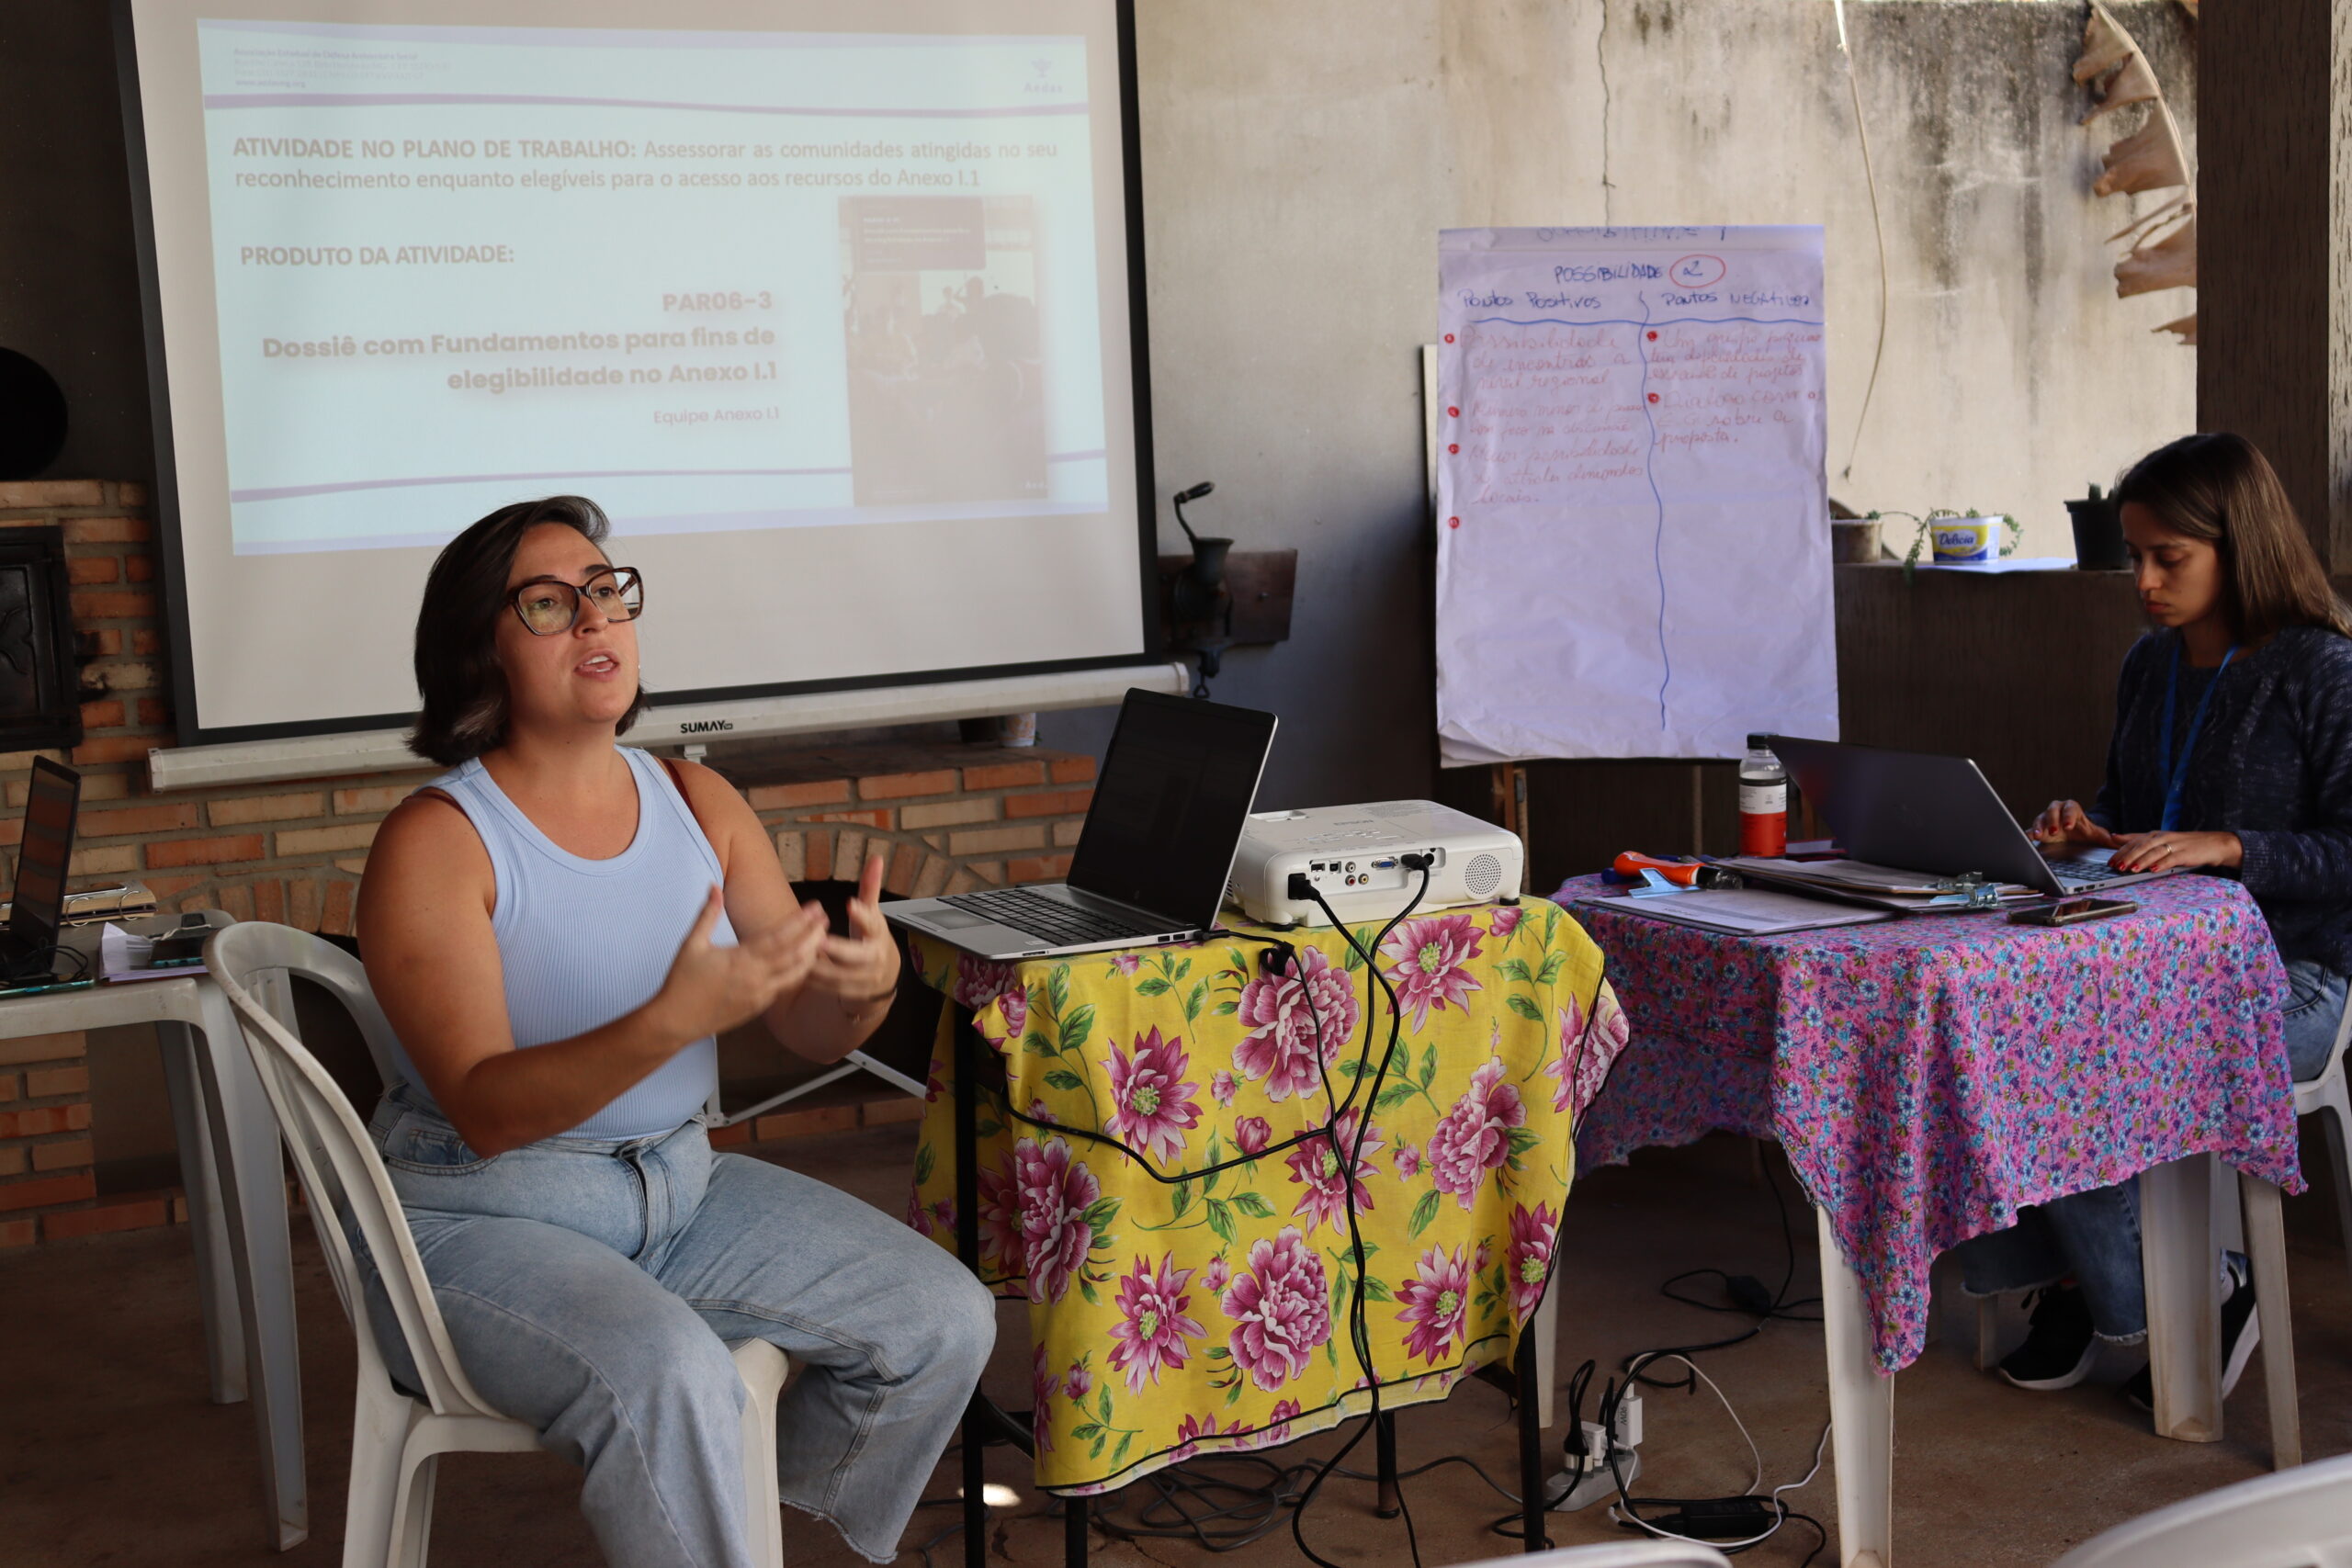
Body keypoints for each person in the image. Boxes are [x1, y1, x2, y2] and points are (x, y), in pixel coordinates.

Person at [354, 495, 996, 1568]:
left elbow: (807, 1025)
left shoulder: (699, 800)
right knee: (676, 1377)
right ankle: (701, 1510)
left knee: (942, 1319)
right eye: (548, 603)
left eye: (606, 591)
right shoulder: (437, 840)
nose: (595, 620)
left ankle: (722, 1519)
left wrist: (865, 989)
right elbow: (487, 1107)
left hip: (679, 1189)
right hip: (477, 1221)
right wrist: (670, 1021)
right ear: (479, 649)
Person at [1954, 433, 2352, 1410]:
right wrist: (2085, 832)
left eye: (2168, 557)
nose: (2143, 581)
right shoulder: (2149, 665)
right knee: (1988, 1031)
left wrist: (2232, 846)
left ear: (2240, 545)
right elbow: (2130, 813)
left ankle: (2189, 1291)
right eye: (2134, 556)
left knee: (2079, 1063)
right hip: (2143, 961)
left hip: (2293, 977)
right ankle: (2078, 1277)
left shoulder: (2323, 669)